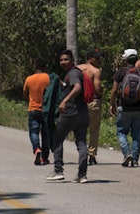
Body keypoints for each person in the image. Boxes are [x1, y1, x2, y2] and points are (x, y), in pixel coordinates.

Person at [47, 50, 90, 183]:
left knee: (57, 139)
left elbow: (77, 88)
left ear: (72, 60)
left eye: (66, 59)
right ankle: (82, 175)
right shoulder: (74, 73)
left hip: (70, 113)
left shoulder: (73, 73)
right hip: (83, 113)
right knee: (81, 143)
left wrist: (64, 101)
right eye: (61, 60)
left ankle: (58, 170)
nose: (63, 62)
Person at [110, 48, 140, 167]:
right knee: (137, 135)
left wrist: (112, 104)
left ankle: (127, 154)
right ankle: (135, 160)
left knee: (121, 132)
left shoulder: (120, 72)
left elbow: (115, 90)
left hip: (124, 107)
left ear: (126, 60)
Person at [77, 48, 104, 166]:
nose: (99, 59)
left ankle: (82, 153)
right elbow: (97, 88)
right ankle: (92, 155)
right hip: (93, 101)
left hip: (79, 102)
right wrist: (101, 92)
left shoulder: (77, 68)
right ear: (89, 58)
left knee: (80, 129)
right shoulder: (96, 70)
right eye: (96, 57)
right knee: (94, 130)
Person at [23, 59, 52, 165]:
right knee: (45, 134)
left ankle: (37, 150)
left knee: (34, 132)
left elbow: (25, 94)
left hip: (33, 109)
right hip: (46, 110)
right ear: (45, 67)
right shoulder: (49, 78)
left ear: (35, 67)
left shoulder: (29, 79)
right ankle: (45, 157)